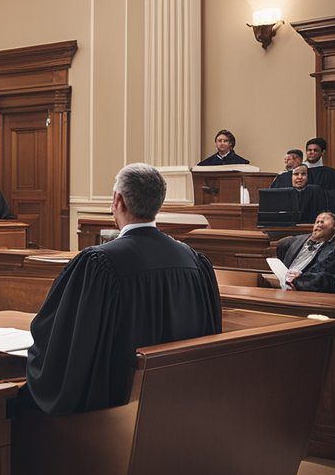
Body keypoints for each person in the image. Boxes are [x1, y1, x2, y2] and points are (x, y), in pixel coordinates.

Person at [23, 163, 222, 415]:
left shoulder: (99, 264)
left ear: (118, 200)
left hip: (116, 413)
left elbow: (65, 342)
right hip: (180, 408)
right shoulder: (193, 261)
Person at [276, 212, 335, 293]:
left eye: (323, 221)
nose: (319, 224)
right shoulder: (296, 241)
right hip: (283, 283)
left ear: (334, 227)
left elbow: (328, 277)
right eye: (317, 222)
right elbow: (281, 247)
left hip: (308, 290)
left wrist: (300, 278)